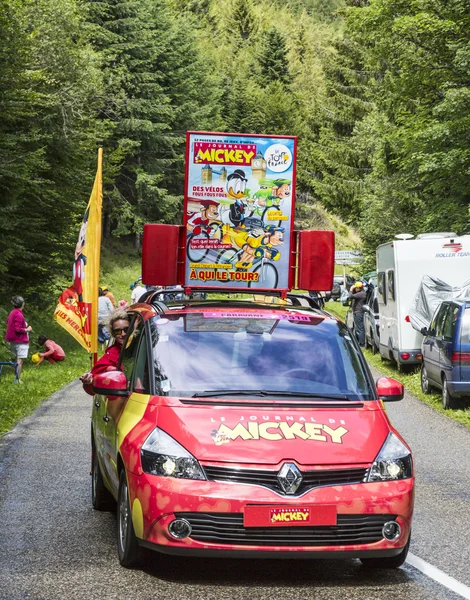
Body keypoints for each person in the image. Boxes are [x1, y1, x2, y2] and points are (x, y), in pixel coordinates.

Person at [80, 310, 130, 395]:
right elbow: (94, 384)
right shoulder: (111, 355)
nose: (123, 334)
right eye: (118, 331)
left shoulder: (146, 347)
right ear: (113, 334)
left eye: (126, 329)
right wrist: (90, 380)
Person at [4, 295, 32, 383]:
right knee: (20, 361)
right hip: (20, 341)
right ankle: (17, 379)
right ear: (22, 304)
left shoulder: (12, 312)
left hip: (13, 340)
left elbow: (8, 322)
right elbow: (17, 329)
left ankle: (16, 378)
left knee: (16, 359)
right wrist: (27, 329)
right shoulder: (19, 314)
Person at [349, 281, 367, 347]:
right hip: (357, 312)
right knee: (358, 328)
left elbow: (350, 296)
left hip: (359, 313)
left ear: (359, 288)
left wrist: (351, 290)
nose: (355, 289)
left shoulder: (361, 294)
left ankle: (361, 343)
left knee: (360, 328)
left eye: (356, 288)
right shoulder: (360, 293)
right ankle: (359, 342)